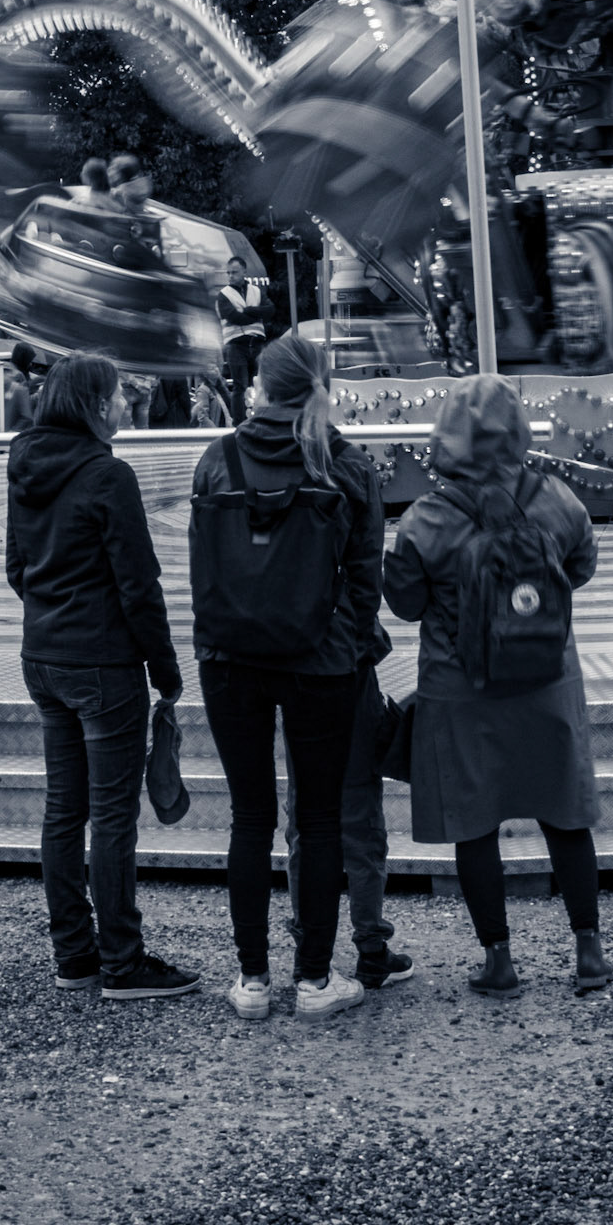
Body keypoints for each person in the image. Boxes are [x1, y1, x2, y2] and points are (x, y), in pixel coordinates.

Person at [382, 374, 611, 999]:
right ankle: (589, 953)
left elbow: (405, 603)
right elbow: (581, 568)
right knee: (565, 818)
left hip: (461, 691)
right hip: (548, 681)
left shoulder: (426, 518)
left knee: (475, 824)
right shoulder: (556, 499)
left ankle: (499, 962)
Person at [190, 332, 383, 1020]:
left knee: (250, 817)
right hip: (320, 661)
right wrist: (344, 642)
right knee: (320, 817)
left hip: (229, 660)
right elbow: (366, 579)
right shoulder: (344, 464)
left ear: (262, 387)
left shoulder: (218, 460)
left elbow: (202, 566)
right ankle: (314, 981)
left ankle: (250, 980)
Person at [6, 352, 199, 1001]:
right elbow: (138, 584)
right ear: (93, 405)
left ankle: (74, 955)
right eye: (117, 396)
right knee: (113, 816)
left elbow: (16, 567)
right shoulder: (107, 474)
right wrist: (166, 670)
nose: (124, 405)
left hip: (43, 657)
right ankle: (122, 961)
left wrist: (52, 615)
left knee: (64, 809)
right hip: (102, 665)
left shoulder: (24, 461)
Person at [282, 617, 413, 990]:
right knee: (361, 833)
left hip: (300, 693)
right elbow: (373, 638)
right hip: (351, 693)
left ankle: (308, 953)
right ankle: (371, 949)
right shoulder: (346, 586)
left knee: (304, 831)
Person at [217, 254, 272, 423]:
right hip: (236, 344)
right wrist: (256, 314)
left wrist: (248, 311)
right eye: (228, 273)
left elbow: (270, 310)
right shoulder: (224, 295)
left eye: (234, 272)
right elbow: (233, 317)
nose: (230, 276)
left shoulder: (256, 291)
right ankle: (239, 424)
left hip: (256, 343)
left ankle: (260, 421)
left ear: (244, 272)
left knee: (260, 384)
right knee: (240, 386)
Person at [5, 342, 37, 432]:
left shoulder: (6, 367)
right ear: (23, 359)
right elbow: (25, 402)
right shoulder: (18, 375)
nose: (31, 364)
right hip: (14, 425)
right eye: (29, 360)